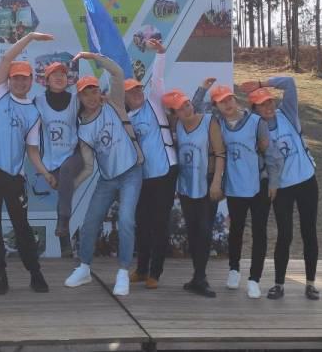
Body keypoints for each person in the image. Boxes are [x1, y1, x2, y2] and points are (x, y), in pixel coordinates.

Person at [0, 31, 53, 295]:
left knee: (22, 226)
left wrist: (45, 172)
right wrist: (29, 37)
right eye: (16, 78)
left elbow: (32, 151)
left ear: (32, 81)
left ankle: (35, 273)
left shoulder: (33, 112)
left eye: (24, 78)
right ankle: (0, 275)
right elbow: (6, 58)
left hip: (14, 176)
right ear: (8, 80)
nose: (20, 82)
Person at [64, 52, 145, 296]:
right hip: (107, 179)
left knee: (126, 220)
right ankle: (84, 268)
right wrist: (70, 186)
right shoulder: (83, 129)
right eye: (85, 93)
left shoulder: (114, 104)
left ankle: (123, 272)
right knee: (90, 222)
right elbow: (89, 166)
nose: (91, 97)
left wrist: (92, 56)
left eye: (94, 91)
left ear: (100, 92)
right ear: (79, 97)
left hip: (131, 172)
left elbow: (117, 73)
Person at [240, 76, 320, 301]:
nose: (268, 107)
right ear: (254, 109)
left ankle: (311, 283)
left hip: (306, 181)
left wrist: (260, 84)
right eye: (262, 104)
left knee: (309, 231)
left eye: (269, 102)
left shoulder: (287, 114)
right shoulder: (255, 128)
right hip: (282, 188)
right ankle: (279, 284)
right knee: (285, 234)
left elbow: (289, 83)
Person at [162, 84, 225, 298]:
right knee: (193, 231)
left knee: (205, 230)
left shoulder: (209, 121)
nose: (187, 109)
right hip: (187, 185)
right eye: (181, 108)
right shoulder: (177, 125)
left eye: (187, 104)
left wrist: (217, 182)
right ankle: (197, 277)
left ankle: (201, 277)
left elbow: (220, 153)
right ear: (174, 113)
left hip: (207, 182)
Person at [210, 83, 272, 298]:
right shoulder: (217, 123)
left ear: (236, 99)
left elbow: (268, 152)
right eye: (221, 101)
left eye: (229, 98)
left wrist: (274, 182)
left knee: (259, 231)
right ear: (216, 106)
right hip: (235, 186)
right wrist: (202, 88)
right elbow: (197, 107)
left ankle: (254, 279)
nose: (227, 104)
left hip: (259, 185)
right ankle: (234, 270)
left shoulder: (256, 122)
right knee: (236, 229)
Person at [127, 39, 176, 289]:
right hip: (142, 178)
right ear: (125, 97)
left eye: (138, 89)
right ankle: (141, 268)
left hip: (165, 172)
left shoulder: (154, 104)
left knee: (159, 223)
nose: (137, 93)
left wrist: (161, 53)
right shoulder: (126, 117)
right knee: (142, 223)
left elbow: (157, 79)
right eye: (131, 92)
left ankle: (155, 273)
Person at [27, 60, 83, 256]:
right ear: (46, 80)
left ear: (68, 79)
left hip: (76, 154)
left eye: (63, 74)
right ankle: (65, 246)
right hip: (52, 159)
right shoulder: (38, 101)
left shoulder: (76, 100)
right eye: (54, 74)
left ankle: (63, 221)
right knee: (63, 191)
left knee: (67, 171)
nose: (59, 77)